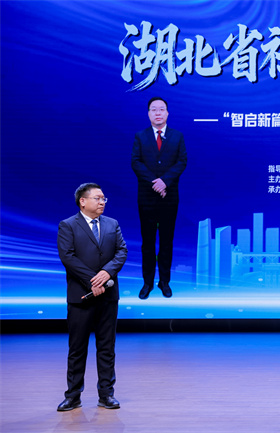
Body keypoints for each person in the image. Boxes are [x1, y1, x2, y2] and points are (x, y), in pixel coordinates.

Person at [57, 183, 128, 411]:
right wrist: (93, 281)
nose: (102, 202)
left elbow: (122, 251)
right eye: (97, 198)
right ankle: (73, 396)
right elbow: (68, 257)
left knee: (107, 347)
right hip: (81, 297)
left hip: (108, 297)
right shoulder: (68, 225)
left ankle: (106, 394)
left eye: (104, 198)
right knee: (77, 349)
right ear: (83, 201)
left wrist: (107, 272)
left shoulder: (112, 224)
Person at [132, 97, 187, 299]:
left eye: (161, 109)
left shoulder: (177, 136)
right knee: (147, 243)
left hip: (169, 198)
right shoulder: (140, 136)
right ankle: (147, 283)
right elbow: (136, 162)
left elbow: (182, 162)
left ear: (167, 113)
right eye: (153, 109)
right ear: (148, 114)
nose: (157, 113)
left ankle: (164, 282)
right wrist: (155, 183)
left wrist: (165, 182)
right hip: (146, 198)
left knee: (166, 242)